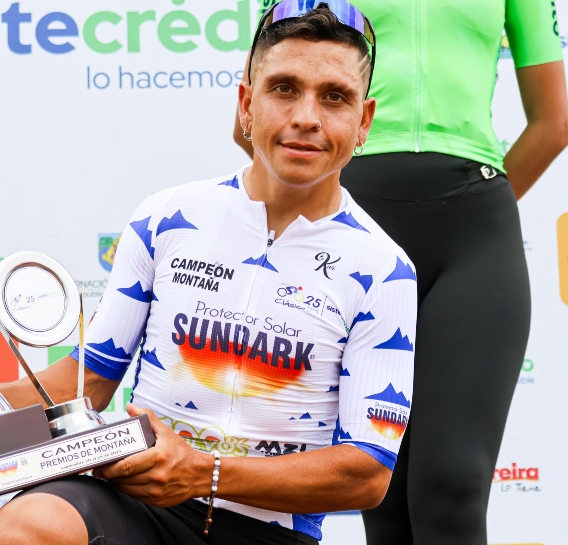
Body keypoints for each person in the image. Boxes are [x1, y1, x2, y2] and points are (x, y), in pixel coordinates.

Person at [0, 4, 418, 544]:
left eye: (334, 97)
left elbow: (367, 473)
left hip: (268, 531)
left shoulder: (384, 270)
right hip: (139, 507)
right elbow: (88, 382)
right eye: (284, 89)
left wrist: (206, 473)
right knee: (30, 525)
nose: (306, 117)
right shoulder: (168, 217)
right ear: (246, 104)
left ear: (363, 121)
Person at [235, 1, 568, 544]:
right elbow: (256, 118)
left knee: (454, 485)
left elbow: (554, 122)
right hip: (355, 230)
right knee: (377, 487)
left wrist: (477, 206)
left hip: (473, 233)